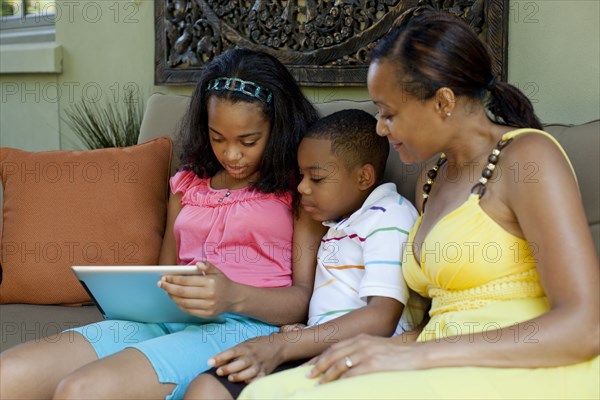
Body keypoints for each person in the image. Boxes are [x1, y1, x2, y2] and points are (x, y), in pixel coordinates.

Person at [237, 8, 600, 399]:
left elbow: (584, 327)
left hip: (525, 368)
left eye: (389, 113)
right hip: (441, 363)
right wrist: (383, 348)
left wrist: (415, 356)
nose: (379, 127)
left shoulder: (527, 157)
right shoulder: (432, 176)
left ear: (443, 102)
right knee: (269, 392)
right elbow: (442, 321)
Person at [0, 48, 324, 400]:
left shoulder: (300, 190)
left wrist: (233, 297)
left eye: (248, 141)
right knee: (8, 375)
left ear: (278, 129)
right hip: (163, 319)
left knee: (80, 391)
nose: (231, 154)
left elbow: (303, 299)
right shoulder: (187, 185)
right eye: (218, 138)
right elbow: (164, 272)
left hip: (244, 329)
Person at [185, 109, 426, 399]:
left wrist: (285, 344)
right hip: (315, 347)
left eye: (316, 178)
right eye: (301, 176)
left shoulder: (390, 217)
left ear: (364, 177)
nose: (301, 187)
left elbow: (380, 318)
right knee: (209, 387)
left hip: (362, 358)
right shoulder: (337, 222)